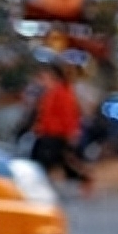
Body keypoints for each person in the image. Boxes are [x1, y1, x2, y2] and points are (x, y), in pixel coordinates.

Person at [30, 63, 94, 196]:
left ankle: (40, 186)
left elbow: (68, 114)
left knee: (46, 161)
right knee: (59, 161)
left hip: (57, 134)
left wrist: (72, 132)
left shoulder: (62, 93)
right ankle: (83, 179)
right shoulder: (50, 93)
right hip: (48, 133)